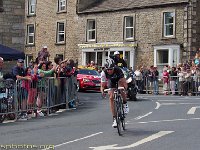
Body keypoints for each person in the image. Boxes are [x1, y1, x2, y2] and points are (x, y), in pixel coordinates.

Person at [104, 59, 129, 128]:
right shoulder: (104, 72)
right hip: (111, 81)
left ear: (113, 68)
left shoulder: (118, 70)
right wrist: (102, 91)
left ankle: (125, 103)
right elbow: (102, 84)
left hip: (119, 80)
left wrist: (125, 89)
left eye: (111, 69)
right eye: (108, 69)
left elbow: (124, 81)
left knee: (121, 88)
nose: (109, 71)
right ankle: (114, 119)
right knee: (111, 97)